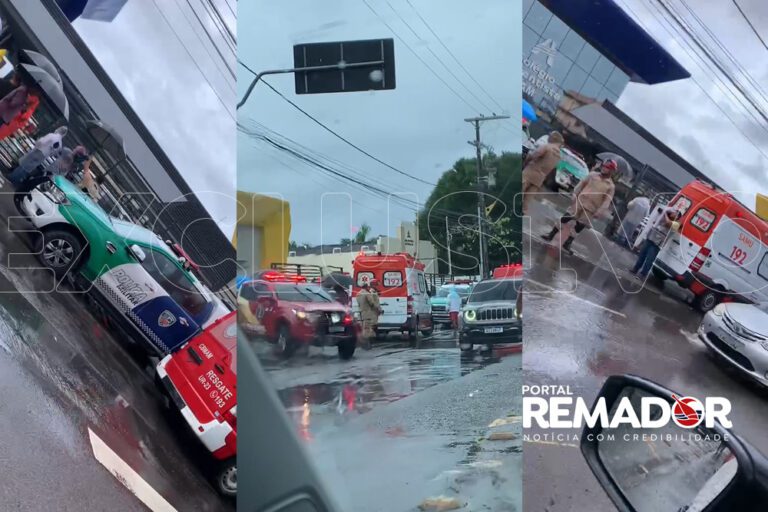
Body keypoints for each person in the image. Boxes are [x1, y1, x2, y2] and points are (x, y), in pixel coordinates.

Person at [541, 159, 618, 253]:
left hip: (591, 208)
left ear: (612, 171)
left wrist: (600, 211)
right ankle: (551, 234)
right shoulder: (592, 175)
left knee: (579, 225)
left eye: (607, 168)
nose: (604, 169)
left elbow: (607, 201)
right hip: (580, 201)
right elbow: (581, 184)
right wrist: (575, 194)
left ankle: (568, 242)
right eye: (604, 166)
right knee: (566, 217)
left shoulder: (610, 186)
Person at [631, 208, 681, 279]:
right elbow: (655, 221)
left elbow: (667, 223)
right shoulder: (665, 217)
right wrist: (662, 213)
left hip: (657, 244)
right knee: (642, 254)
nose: (672, 212)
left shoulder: (677, 224)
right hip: (650, 238)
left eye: (675, 212)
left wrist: (665, 213)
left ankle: (643, 274)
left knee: (649, 259)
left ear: (677, 216)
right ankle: (635, 269)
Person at [522, 131, 564, 214]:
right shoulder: (559, 155)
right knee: (529, 195)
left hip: (531, 171)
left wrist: (525, 162)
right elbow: (552, 169)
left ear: (552, 138)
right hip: (540, 177)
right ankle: (523, 210)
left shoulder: (547, 147)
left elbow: (534, 155)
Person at [356, 282, 378, 349]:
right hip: (368, 314)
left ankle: (362, 343)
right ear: (366, 287)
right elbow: (372, 303)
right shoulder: (367, 294)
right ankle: (367, 345)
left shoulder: (358, 294)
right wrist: (377, 309)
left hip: (361, 314)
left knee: (363, 328)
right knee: (368, 329)